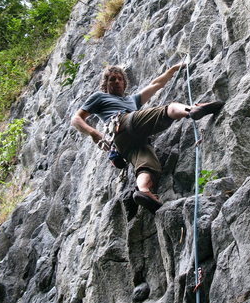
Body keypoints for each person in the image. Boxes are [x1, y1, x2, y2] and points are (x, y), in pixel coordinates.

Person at [71, 64, 224, 213]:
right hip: (123, 123)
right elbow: (76, 119)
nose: (116, 81)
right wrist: (94, 134)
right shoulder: (99, 97)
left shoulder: (132, 100)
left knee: (149, 166)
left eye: (119, 79)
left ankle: (143, 191)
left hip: (127, 143)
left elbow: (156, 84)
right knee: (167, 109)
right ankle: (192, 109)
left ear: (124, 83)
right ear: (105, 84)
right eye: (112, 79)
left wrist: (174, 69)